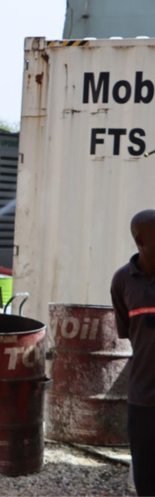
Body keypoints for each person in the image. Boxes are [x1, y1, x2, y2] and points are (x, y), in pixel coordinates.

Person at [110, 209, 155, 496]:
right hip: (143, 399)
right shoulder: (123, 281)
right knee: (146, 480)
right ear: (140, 240)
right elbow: (126, 331)